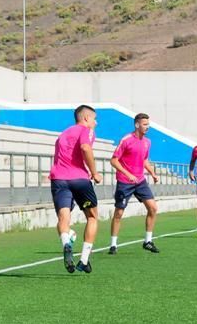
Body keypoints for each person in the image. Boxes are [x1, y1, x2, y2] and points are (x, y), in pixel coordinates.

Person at [49, 105, 102, 274]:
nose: (96, 122)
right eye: (94, 119)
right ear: (86, 118)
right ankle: (84, 260)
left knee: (64, 216)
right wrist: (94, 172)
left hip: (58, 179)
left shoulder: (63, 134)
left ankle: (66, 242)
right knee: (92, 217)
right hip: (79, 179)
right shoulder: (85, 131)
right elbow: (85, 148)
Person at [108, 113, 160, 255]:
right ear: (137, 125)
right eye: (144, 124)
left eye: (148, 124)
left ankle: (147, 241)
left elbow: (144, 160)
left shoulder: (147, 142)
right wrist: (127, 174)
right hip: (125, 182)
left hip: (140, 181)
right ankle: (113, 245)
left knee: (153, 208)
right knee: (119, 212)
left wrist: (153, 173)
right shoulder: (126, 140)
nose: (147, 127)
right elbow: (113, 160)